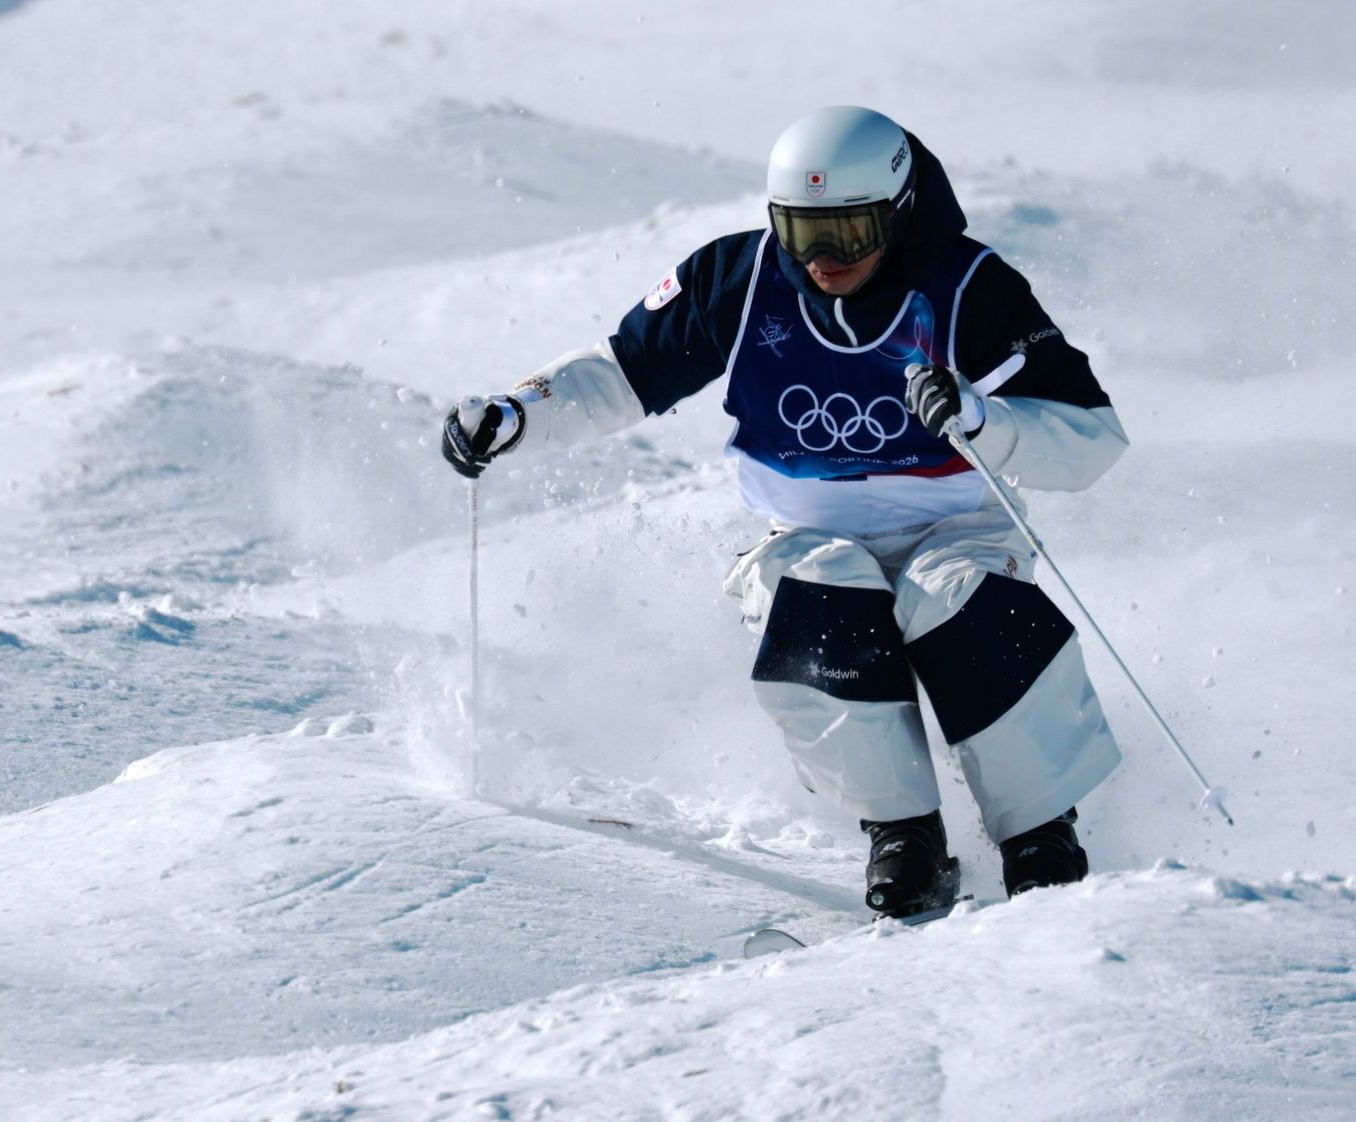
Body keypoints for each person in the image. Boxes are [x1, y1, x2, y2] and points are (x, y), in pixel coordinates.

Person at [441, 106, 1129, 916]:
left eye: (851, 232)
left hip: (958, 527)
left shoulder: (971, 288)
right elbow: (622, 372)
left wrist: (983, 418)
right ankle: (905, 834)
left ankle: (1041, 835)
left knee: (959, 601)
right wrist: (520, 414)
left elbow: (1091, 439)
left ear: (900, 212)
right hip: (810, 534)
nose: (826, 259)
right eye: (805, 234)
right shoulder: (741, 279)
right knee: (817, 600)